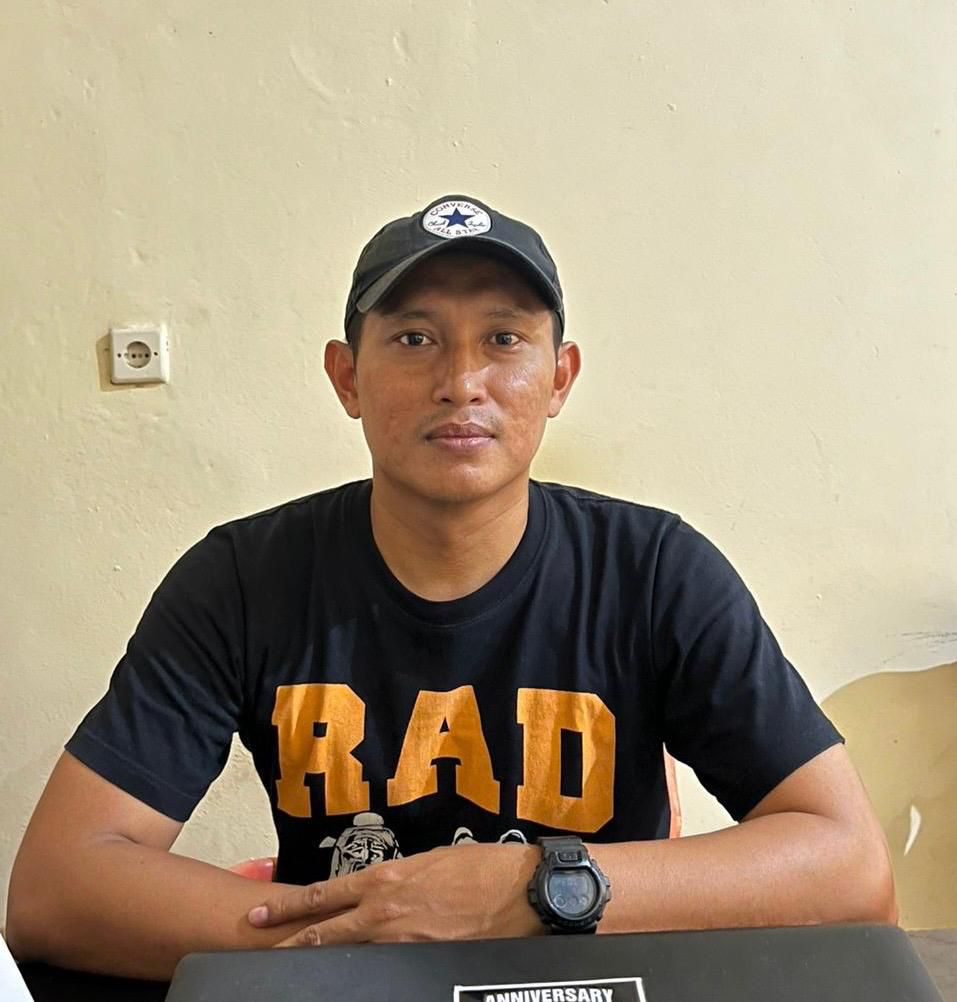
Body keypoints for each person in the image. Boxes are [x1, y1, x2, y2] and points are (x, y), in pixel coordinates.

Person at [5, 195, 896, 979]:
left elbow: (849, 868)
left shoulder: (655, 570)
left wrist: (533, 888)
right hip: (343, 991)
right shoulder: (242, 579)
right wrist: (371, 931)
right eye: (414, 339)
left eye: (503, 339)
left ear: (559, 378)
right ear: (347, 378)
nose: (460, 383)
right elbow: (56, 888)